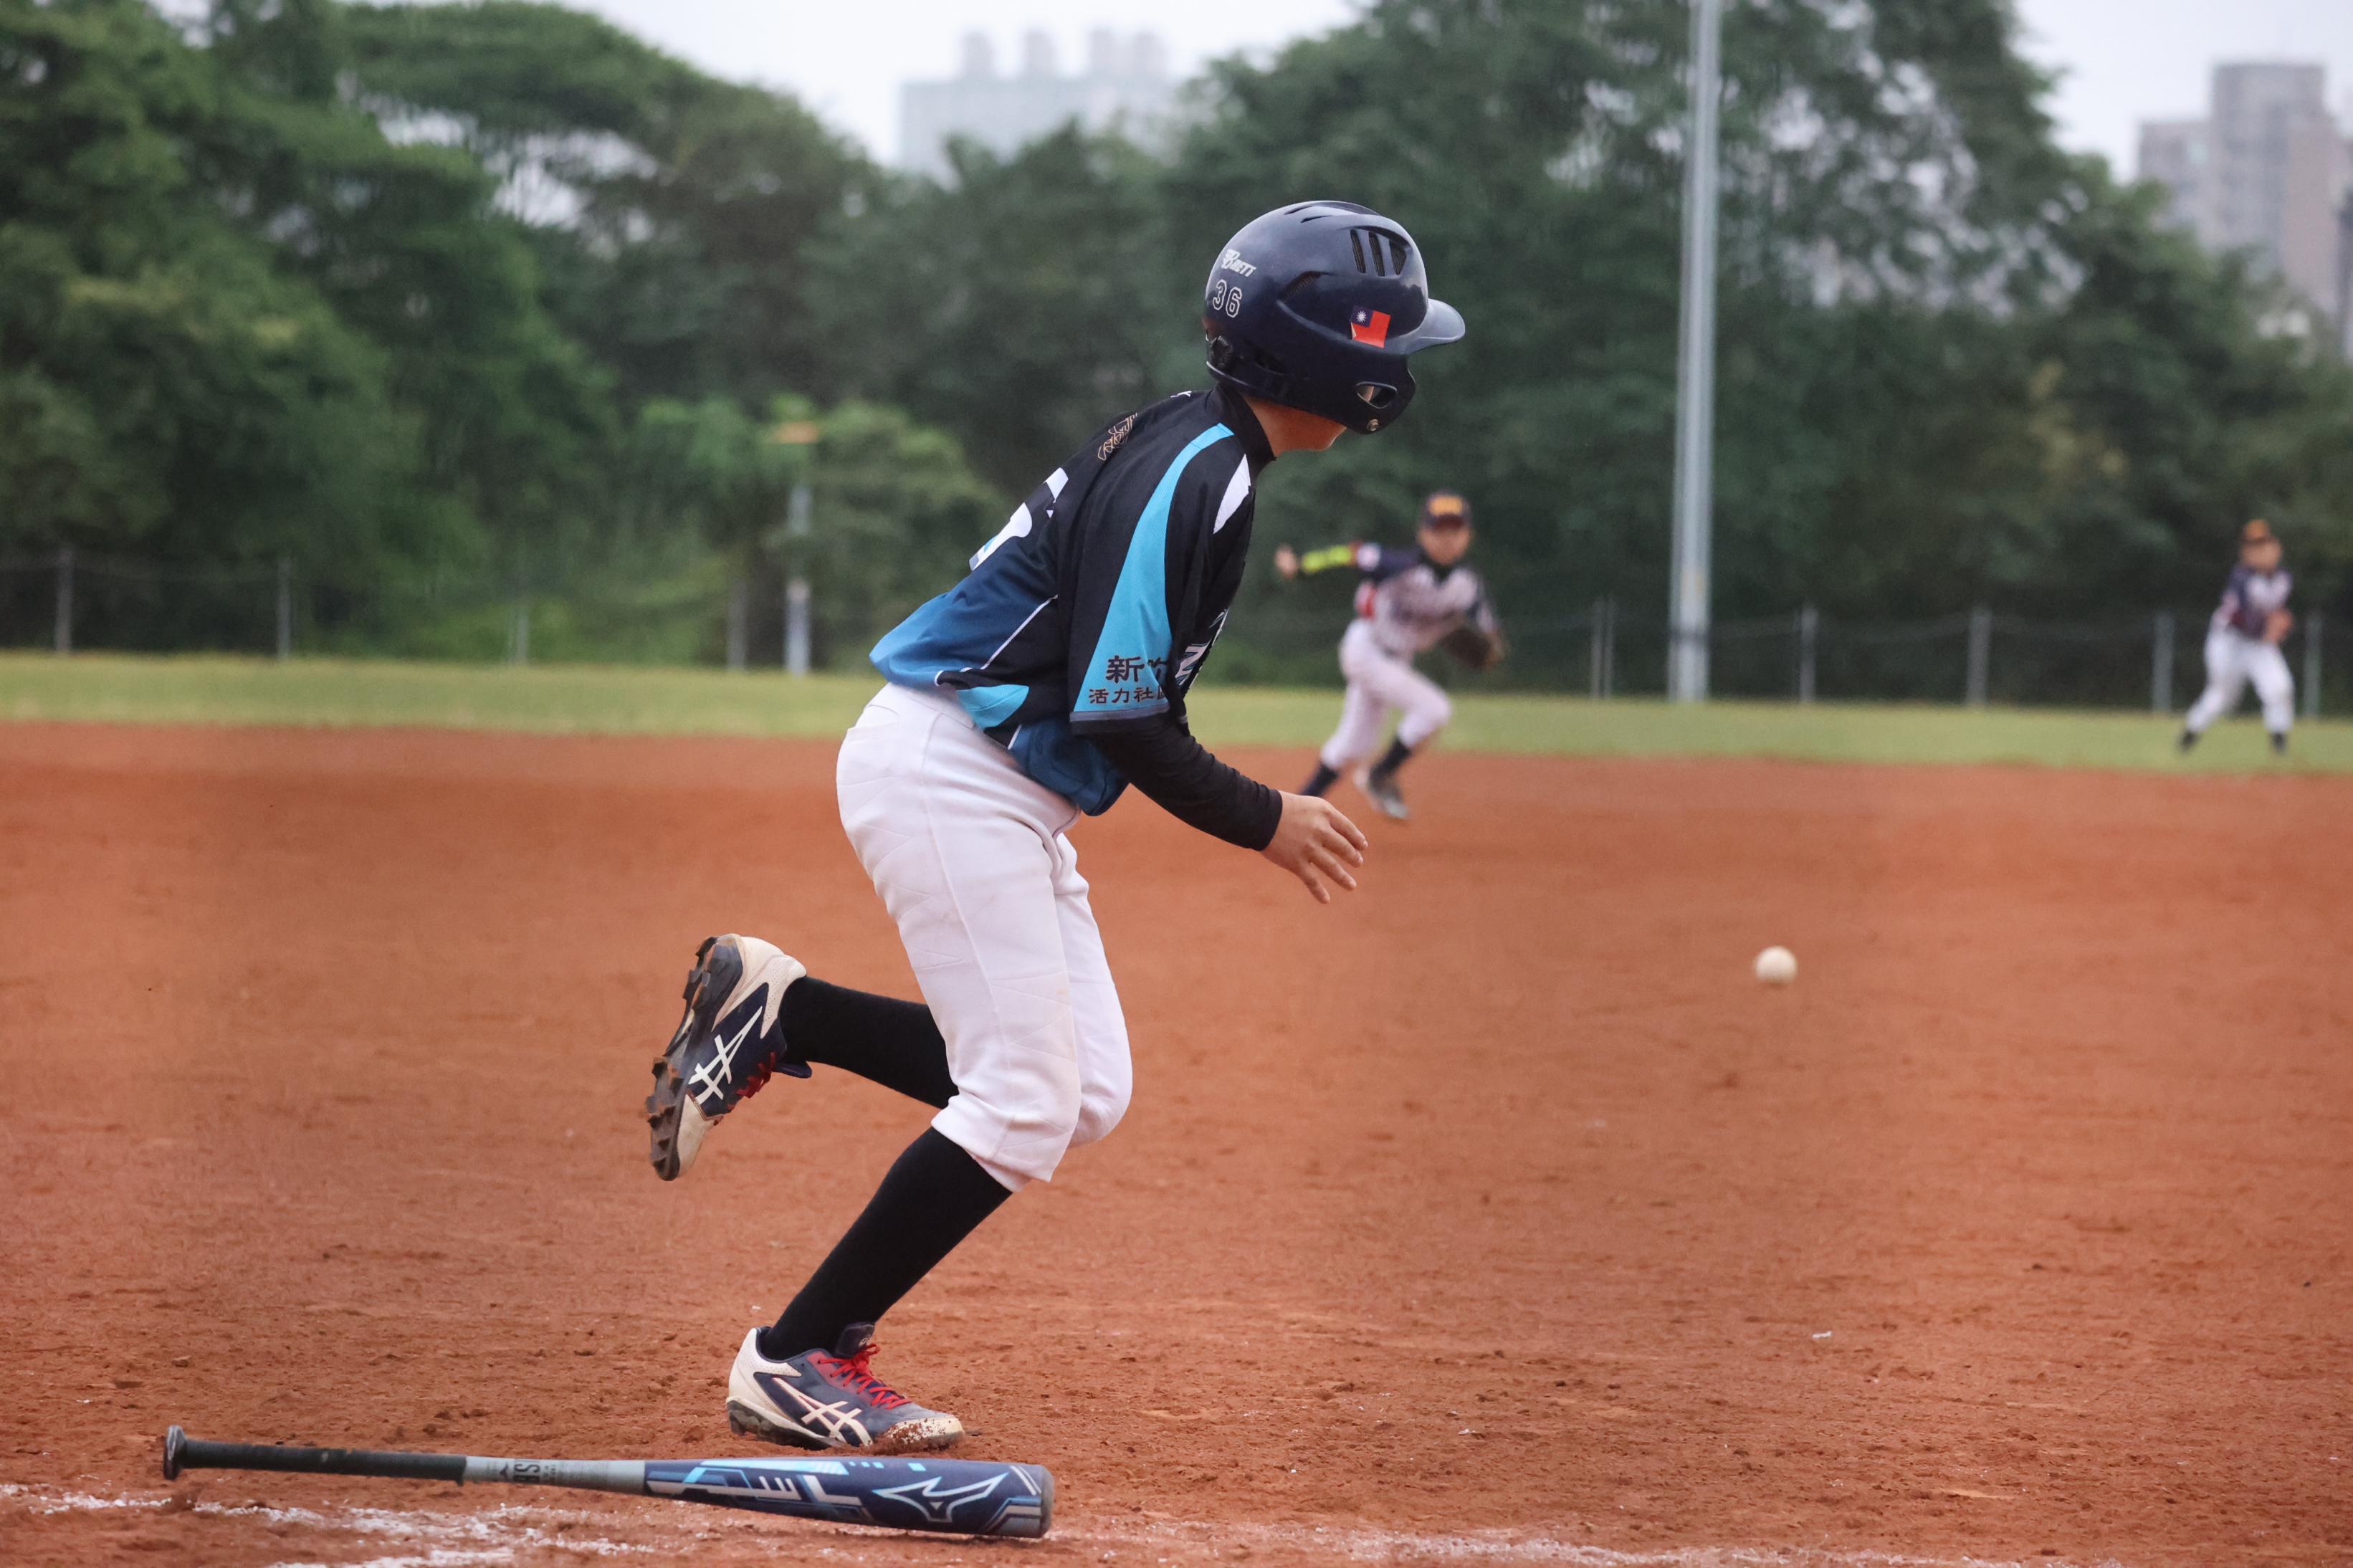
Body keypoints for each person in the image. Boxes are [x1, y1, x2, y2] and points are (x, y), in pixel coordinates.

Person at [639, 201, 1464, 1451]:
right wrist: (1266, 818)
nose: (1398, 361)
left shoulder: (1203, 449)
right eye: (1385, 338)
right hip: (950, 771)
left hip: (991, 783)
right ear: (1331, 362)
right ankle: (798, 1354)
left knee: (1083, 1090)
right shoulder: (1198, 472)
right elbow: (1118, 709)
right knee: (1024, 1095)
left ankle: (786, 1012)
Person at [1273, 491, 1502, 821]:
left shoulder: (1468, 585)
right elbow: (1350, 554)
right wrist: (1301, 568)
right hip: (1366, 649)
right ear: (1423, 533)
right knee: (1434, 709)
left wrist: (1493, 649)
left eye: (1456, 530)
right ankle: (1379, 775)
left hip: (1397, 660)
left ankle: (1294, 809)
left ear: (1468, 536)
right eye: (1439, 529)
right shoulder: (1396, 565)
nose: (1447, 538)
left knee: (1352, 746)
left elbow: (1489, 634)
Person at [2180, 518, 2296, 755]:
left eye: (2265, 545)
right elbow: (2246, 621)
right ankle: (2190, 732)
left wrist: (2279, 624)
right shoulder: (2242, 577)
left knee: (2279, 688)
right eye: (2254, 547)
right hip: (2228, 642)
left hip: (2258, 643)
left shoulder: (2283, 578)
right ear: (2247, 552)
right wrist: (2273, 627)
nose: (2261, 551)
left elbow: (2275, 615)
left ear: (2276, 548)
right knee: (2222, 696)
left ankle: (2279, 743)